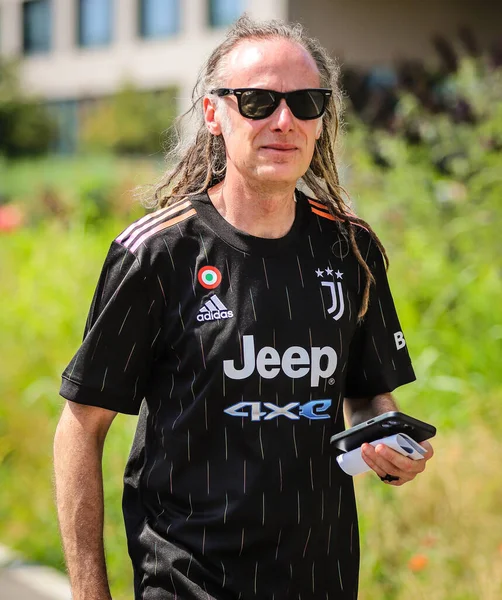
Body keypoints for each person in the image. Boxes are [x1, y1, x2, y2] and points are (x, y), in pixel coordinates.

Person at [54, 16, 434, 600]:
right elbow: (81, 428)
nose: (284, 121)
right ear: (214, 114)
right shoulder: (157, 252)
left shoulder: (352, 249)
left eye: (306, 102)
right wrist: (88, 593)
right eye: (257, 101)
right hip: (188, 582)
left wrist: (385, 446)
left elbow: (368, 392)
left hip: (321, 580)